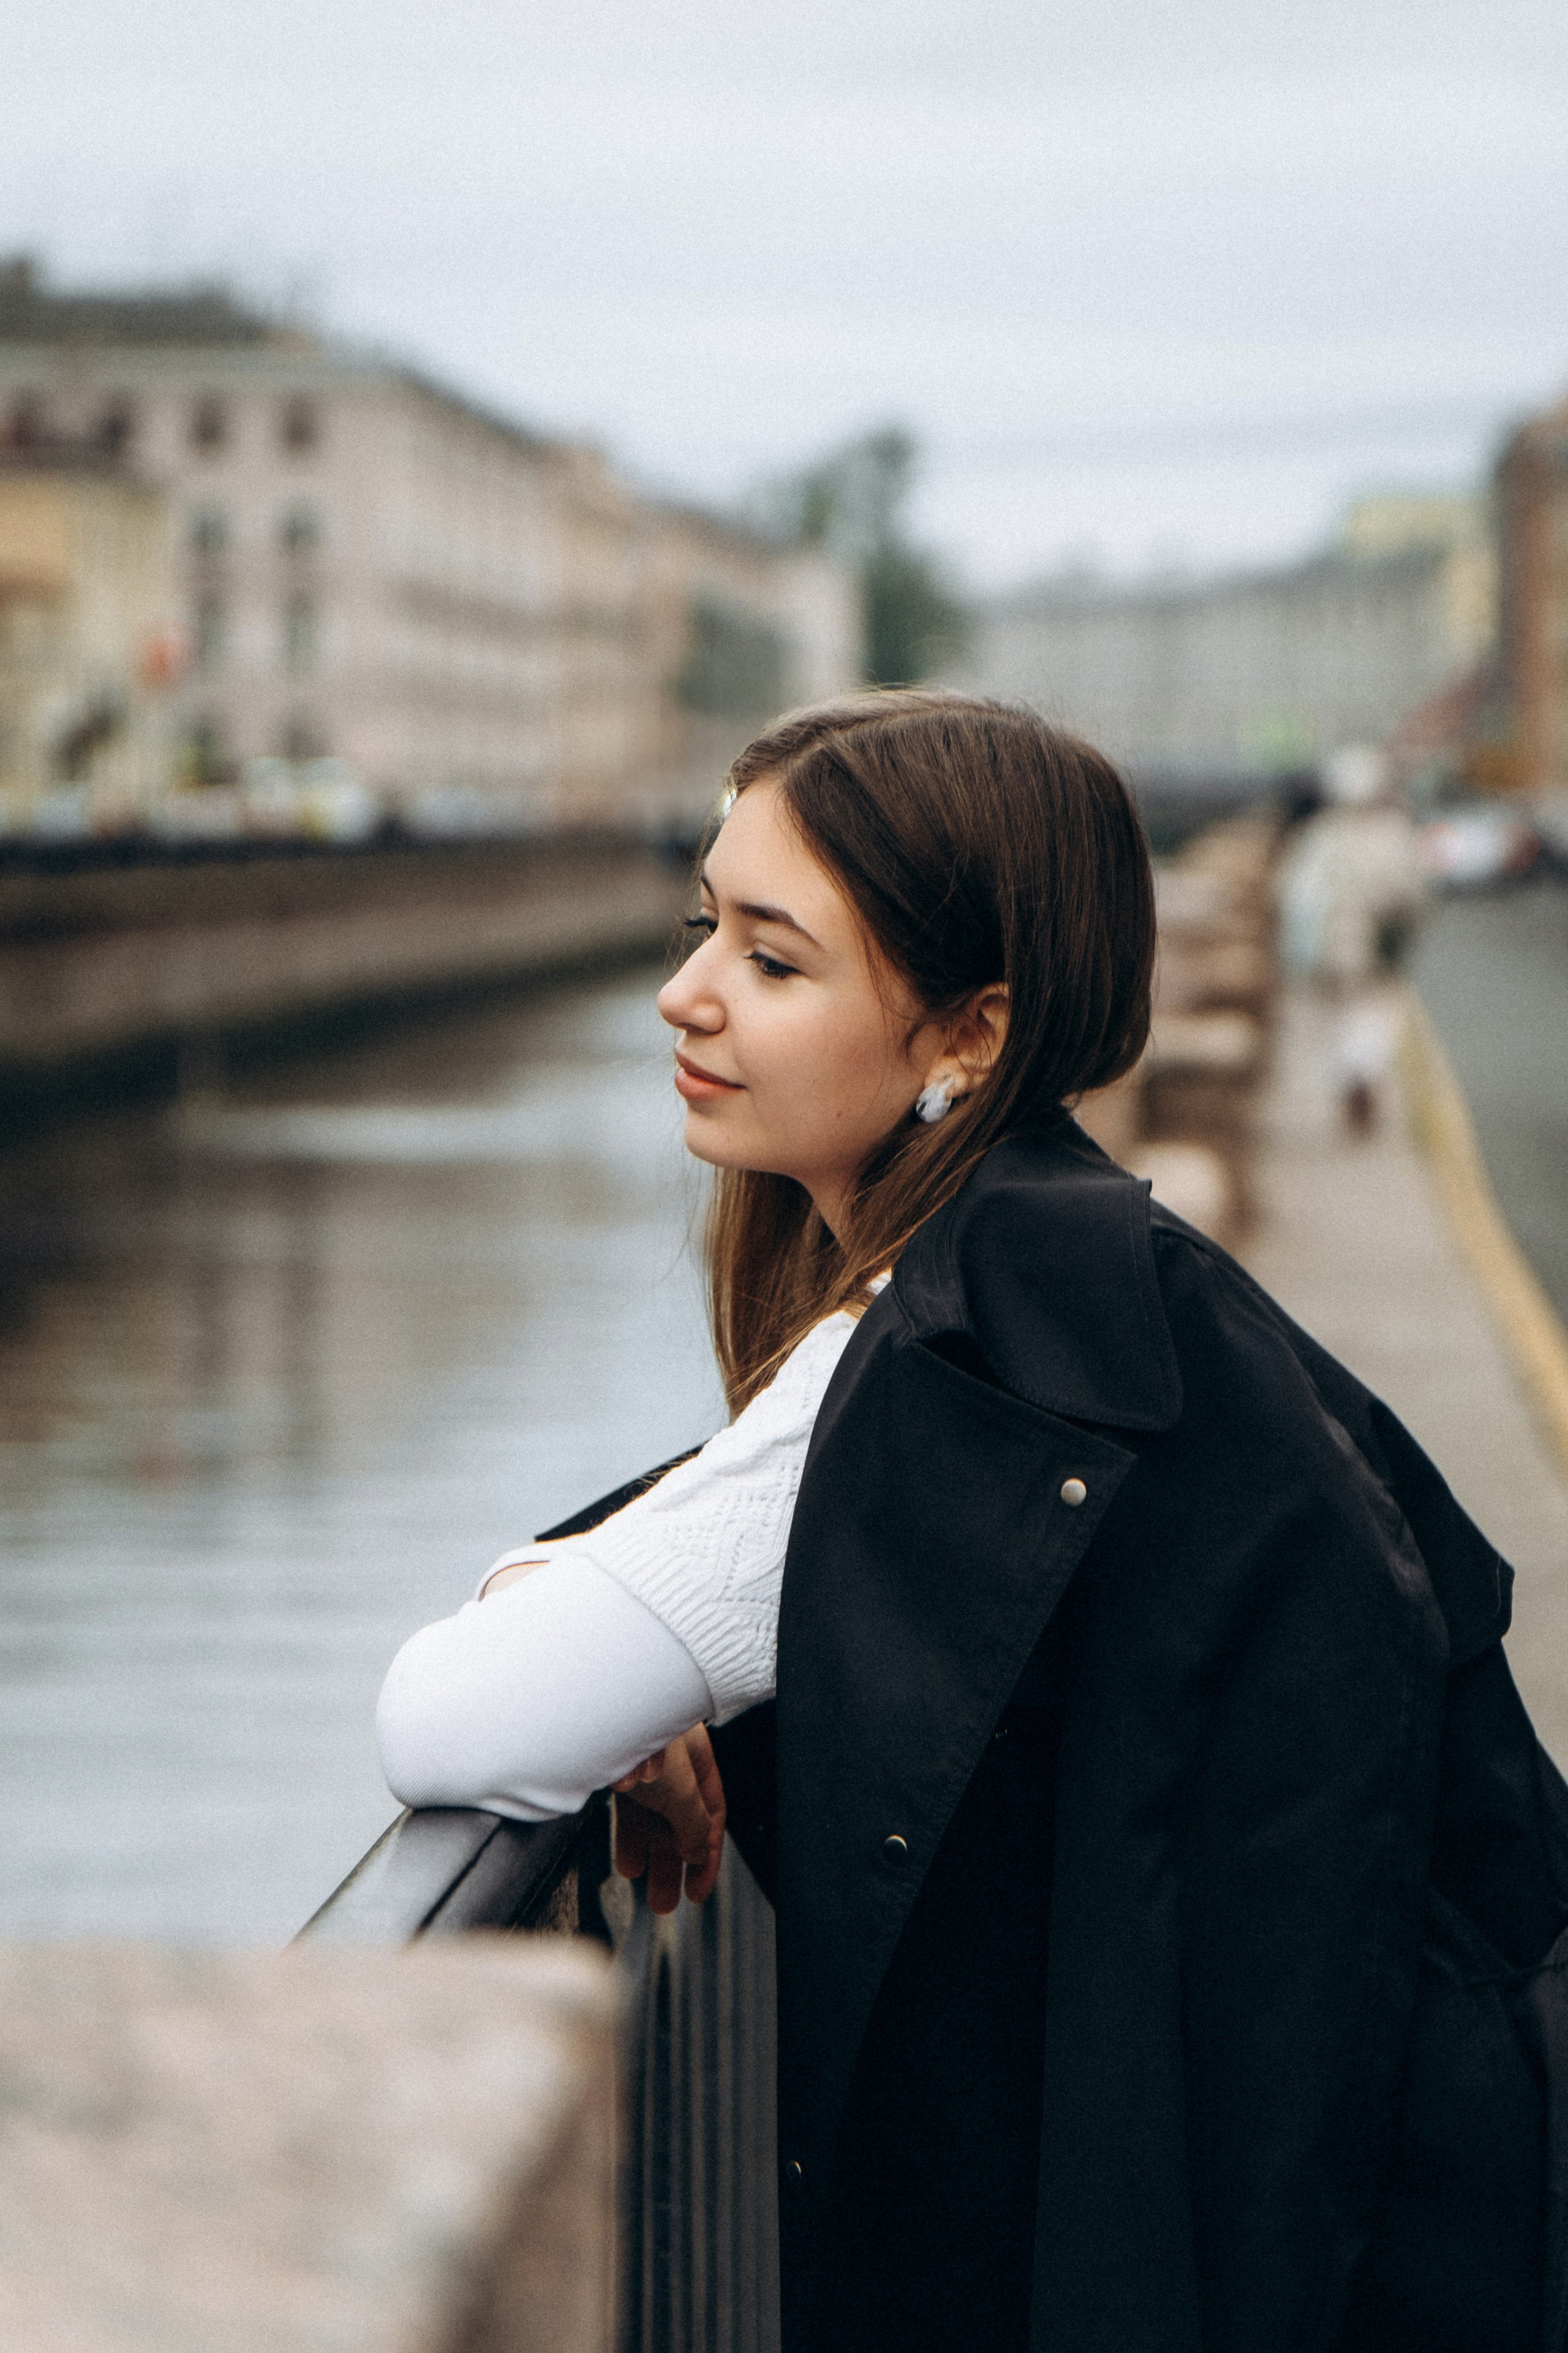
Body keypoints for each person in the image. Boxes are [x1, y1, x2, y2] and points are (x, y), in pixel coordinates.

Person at [376, 692, 1568, 2353]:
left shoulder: (947, 1362)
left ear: (968, 1036)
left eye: (771, 959)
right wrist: (589, 1579)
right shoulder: (1086, 1268)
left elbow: (450, 1719)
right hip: (1401, 2199)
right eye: (701, 921)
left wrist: (582, 1609)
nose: (685, 990)